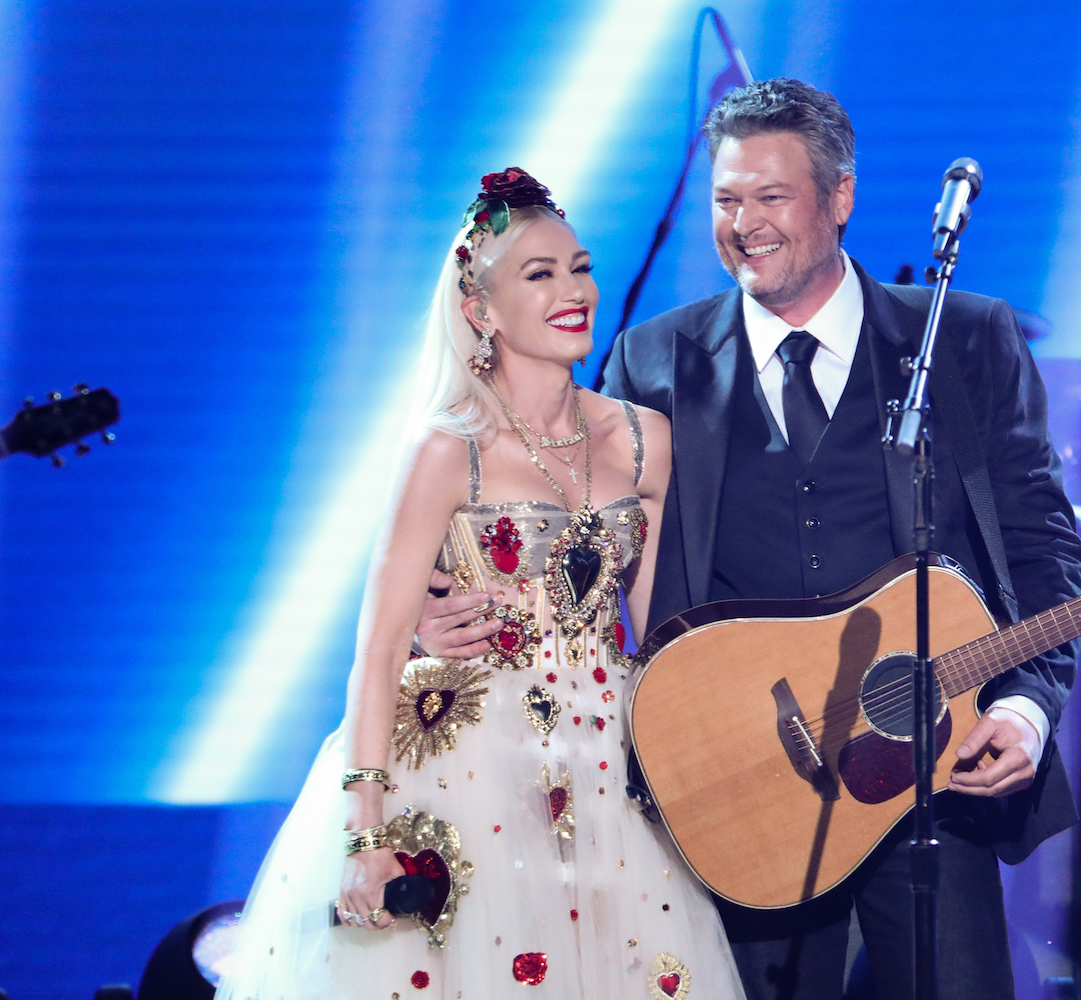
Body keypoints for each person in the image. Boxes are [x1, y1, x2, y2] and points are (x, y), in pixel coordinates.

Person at [599, 79, 1081, 1000]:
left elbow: (1042, 551)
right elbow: (601, 560)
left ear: (840, 197)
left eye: (770, 197)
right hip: (741, 792)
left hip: (929, 777)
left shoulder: (966, 343)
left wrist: (1024, 707)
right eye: (726, 199)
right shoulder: (654, 361)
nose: (744, 224)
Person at [216, 169, 745, 1000]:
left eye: (579, 267)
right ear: (480, 309)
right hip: (466, 765)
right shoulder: (446, 448)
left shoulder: (644, 439)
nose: (574, 291)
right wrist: (364, 836)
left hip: (612, 764)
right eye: (539, 275)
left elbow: (661, 634)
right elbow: (381, 647)